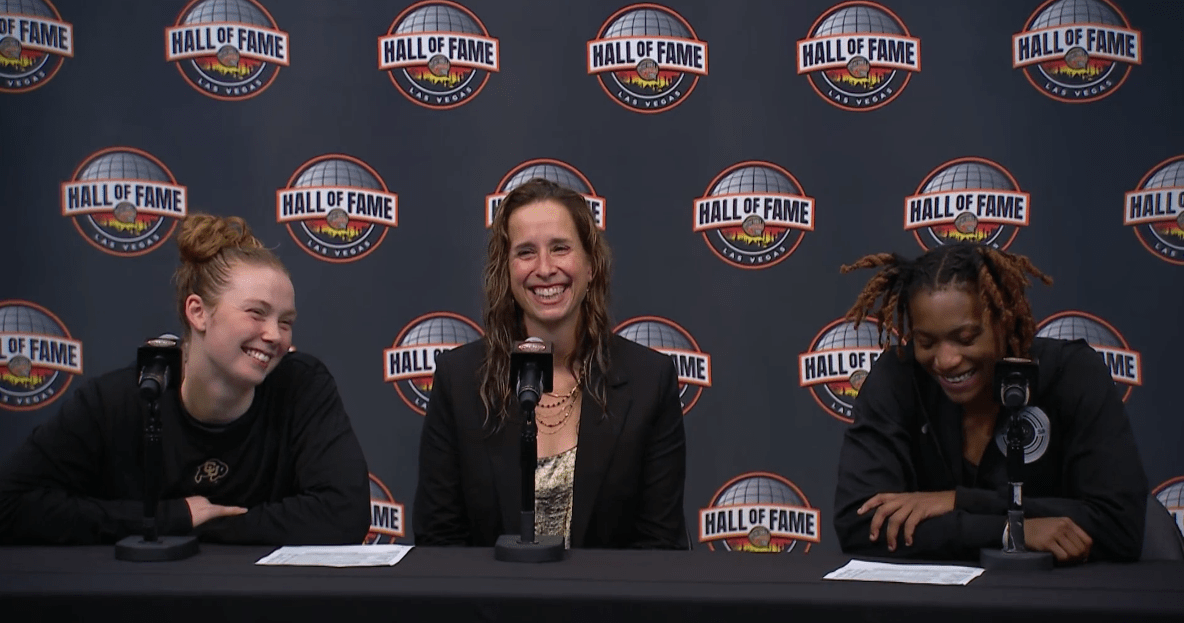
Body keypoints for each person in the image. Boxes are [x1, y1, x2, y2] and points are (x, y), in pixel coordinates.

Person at [0, 214, 371, 545]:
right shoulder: (118, 402)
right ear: (197, 312)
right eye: (256, 313)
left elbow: (345, 514)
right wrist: (172, 517)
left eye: (285, 321)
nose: (275, 335)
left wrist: (206, 528)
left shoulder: (302, 386)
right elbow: (10, 504)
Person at [414, 178, 688, 549]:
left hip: (608, 606)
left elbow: (659, 547)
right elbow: (439, 542)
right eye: (526, 252)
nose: (544, 268)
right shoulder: (459, 381)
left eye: (560, 248)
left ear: (591, 265)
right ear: (506, 271)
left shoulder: (648, 382)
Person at [832, 242, 1147, 563]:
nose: (945, 360)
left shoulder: (1071, 374)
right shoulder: (897, 376)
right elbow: (860, 525)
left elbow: (1119, 526)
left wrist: (958, 501)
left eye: (966, 338)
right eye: (926, 342)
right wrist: (1010, 530)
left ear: (1003, 320)